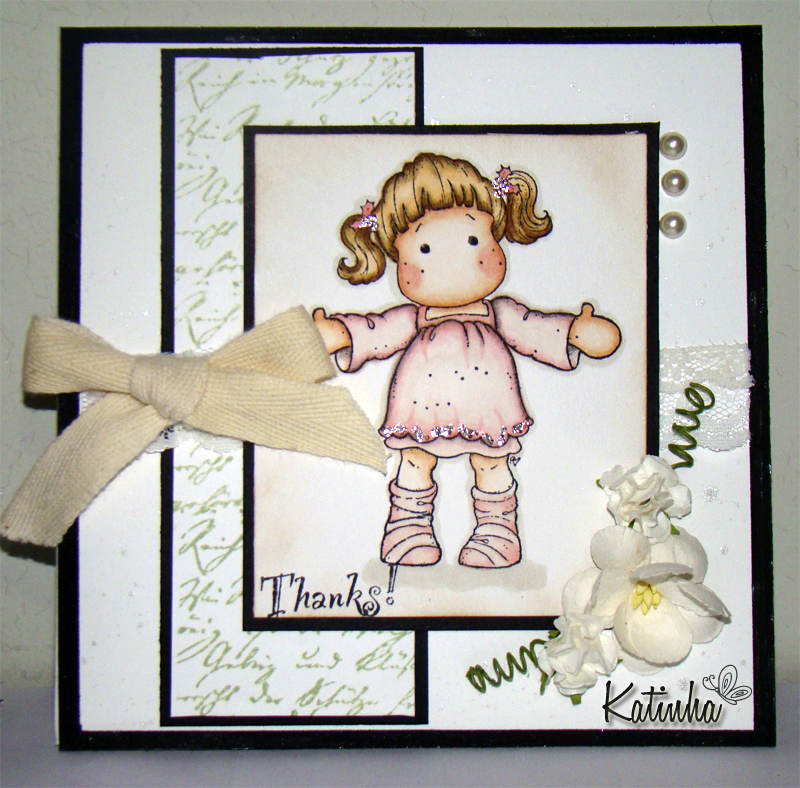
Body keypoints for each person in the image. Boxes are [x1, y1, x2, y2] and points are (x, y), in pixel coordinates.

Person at [313, 153, 620, 569]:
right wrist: (341, 333)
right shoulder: (413, 318)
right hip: (422, 404)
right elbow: (376, 330)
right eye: (424, 248)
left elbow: (536, 328)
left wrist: (576, 333)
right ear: (398, 259)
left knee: (492, 463)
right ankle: (408, 529)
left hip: (487, 405)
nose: (454, 261)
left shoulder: (501, 313)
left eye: (474, 241)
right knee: (415, 459)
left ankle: (496, 533)